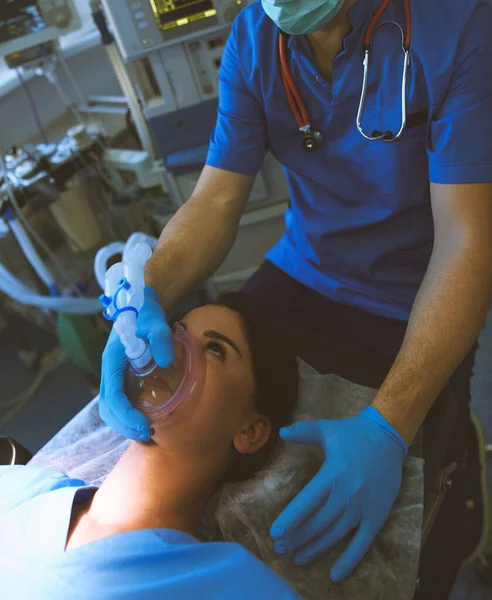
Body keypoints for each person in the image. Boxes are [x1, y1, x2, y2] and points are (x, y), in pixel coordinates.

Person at [100, 1, 492, 598]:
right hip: (300, 270)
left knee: (404, 508)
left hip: (414, 296)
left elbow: (467, 240)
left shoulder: (459, 24)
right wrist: (148, 293)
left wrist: (388, 427)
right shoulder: (255, 36)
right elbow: (214, 202)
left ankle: (455, 473)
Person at [0, 294, 301, 600]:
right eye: (175, 330)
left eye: (214, 349)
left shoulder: (229, 583)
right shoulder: (27, 487)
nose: (173, 350)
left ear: (249, 431)